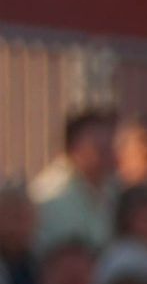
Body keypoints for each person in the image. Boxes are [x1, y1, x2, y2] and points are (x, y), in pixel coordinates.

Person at [30, 108, 118, 253]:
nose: (109, 153)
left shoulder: (114, 189)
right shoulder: (50, 194)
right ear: (73, 148)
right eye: (99, 147)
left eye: (110, 146)